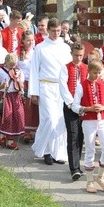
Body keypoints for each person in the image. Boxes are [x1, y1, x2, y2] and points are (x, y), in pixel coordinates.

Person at [29, 18, 71, 164]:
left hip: (61, 87)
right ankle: (45, 150)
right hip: (45, 86)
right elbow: (34, 69)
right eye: (53, 31)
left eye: (58, 31)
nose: (56, 33)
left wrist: (71, 89)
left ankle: (58, 152)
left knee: (60, 121)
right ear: (48, 30)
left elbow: (69, 69)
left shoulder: (65, 48)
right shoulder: (40, 48)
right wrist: (34, 92)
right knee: (49, 119)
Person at [72, 59, 104, 193]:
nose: (97, 75)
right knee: (90, 150)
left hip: (102, 120)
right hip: (88, 121)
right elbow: (75, 106)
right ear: (89, 71)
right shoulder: (81, 85)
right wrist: (88, 108)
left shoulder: (103, 83)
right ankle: (89, 181)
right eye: (94, 73)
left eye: (99, 73)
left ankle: (100, 177)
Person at [59, 42, 87, 177]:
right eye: (76, 55)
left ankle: (78, 165)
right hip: (70, 106)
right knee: (73, 136)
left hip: (84, 107)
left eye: (81, 55)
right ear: (71, 54)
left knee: (81, 136)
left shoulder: (86, 68)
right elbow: (63, 87)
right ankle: (74, 168)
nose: (78, 58)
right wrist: (71, 103)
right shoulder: (65, 68)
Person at [0, 53, 25, 150]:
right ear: (6, 62)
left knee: (17, 116)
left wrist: (20, 86)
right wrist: (2, 86)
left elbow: (22, 84)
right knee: (7, 117)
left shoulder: (18, 71)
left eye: (14, 64)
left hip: (16, 96)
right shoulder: (0, 71)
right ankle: (9, 141)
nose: (12, 66)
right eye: (11, 64)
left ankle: (3, 136)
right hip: (6, 96)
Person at [17, 30, 38, 144]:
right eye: (28, 40)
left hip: (33, 81)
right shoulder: (18, 53)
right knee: (24, 107)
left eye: (32, 40)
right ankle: (25, 131)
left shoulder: (36, 52)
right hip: (22, 82)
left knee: (32, 107)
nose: (30, 42)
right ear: (23, 41)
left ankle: (33, 130)